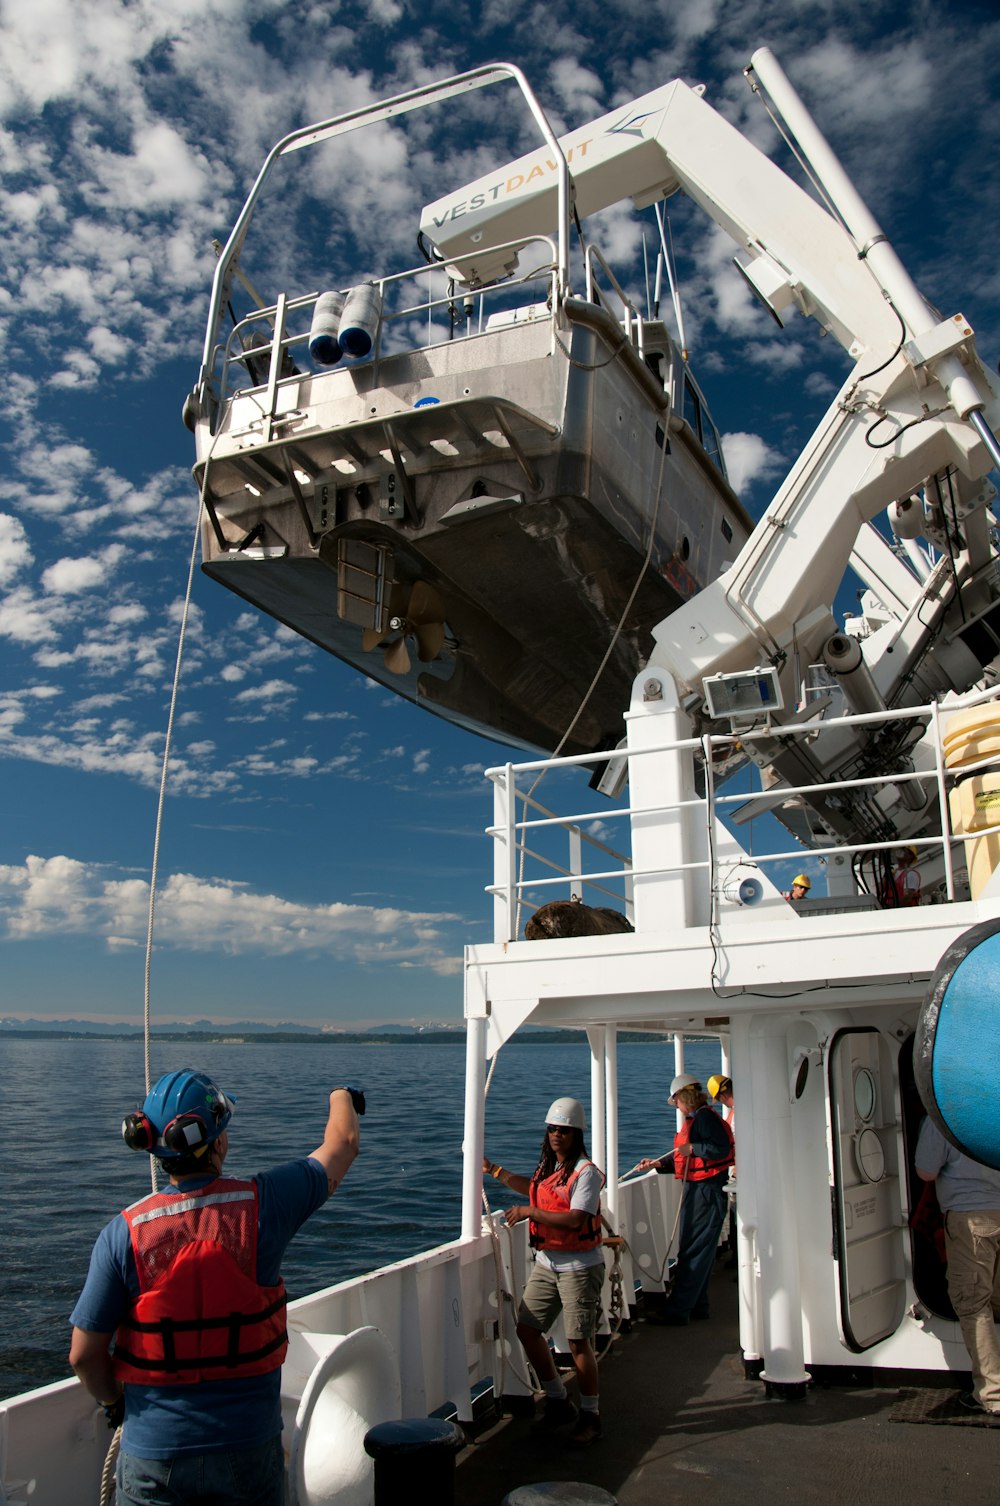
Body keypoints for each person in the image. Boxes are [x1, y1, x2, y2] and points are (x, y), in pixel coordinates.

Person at [69, 1068, 363, 1506]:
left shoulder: (123, 1234)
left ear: (151, 1146)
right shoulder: (266, 1204)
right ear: (219, 1140)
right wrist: (343, 1094)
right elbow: (342, 1144)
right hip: (246, 1447)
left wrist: (115, 1404)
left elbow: (84, 1356)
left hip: (153, 1455)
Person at [483, 1096, 606, 1447]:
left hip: (580, 1268)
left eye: (564, 1131)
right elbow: (538, 1191)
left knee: (579, 1340)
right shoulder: (550, 1167)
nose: (556, 1136)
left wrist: (530, 1213)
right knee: (526, 1329)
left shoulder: (586, 1173)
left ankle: (592, 1416)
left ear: (576, 1134)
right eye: (552, 1129)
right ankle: (557, 1401)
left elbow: (575, 1219)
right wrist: (495, 1171)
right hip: (547, 1263)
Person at [915, 1115, 1000, 1413]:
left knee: (973, 1303)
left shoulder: (945, 1115)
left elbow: (925, 1172)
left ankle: (993, 1394)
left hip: (970, 1219)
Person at [637, 1073, 735, 1324]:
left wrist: (693, 1148)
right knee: (696, 1249)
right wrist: (659, 1163)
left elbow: (720, 1149)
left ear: (685, 1097)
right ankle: (698, 1307)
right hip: (699, 1189)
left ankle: (678, 1311)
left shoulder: (704, 1119)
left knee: (694, 1251)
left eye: (677, 1102)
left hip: (706, 1190)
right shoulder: (699, 1119)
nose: (677, 1108)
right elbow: (685, 1158)